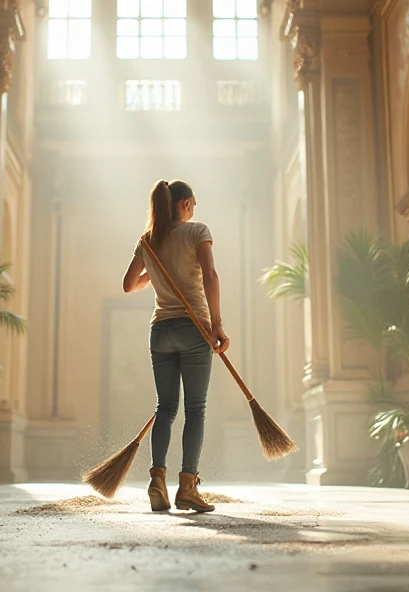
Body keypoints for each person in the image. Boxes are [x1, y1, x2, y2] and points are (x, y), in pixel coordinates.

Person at [122, 179, 230, 513]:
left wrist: (157, 273)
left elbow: (128, 285)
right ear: (184, 204)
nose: (194, 209)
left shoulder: (148, 240)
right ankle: (187, 487)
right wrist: (217, 324)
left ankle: (157, 481)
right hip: (193, 327)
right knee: (195, 409)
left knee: (165, 408)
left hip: (160, 331)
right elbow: (210, 275)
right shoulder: (197, 231)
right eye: (193, 203)